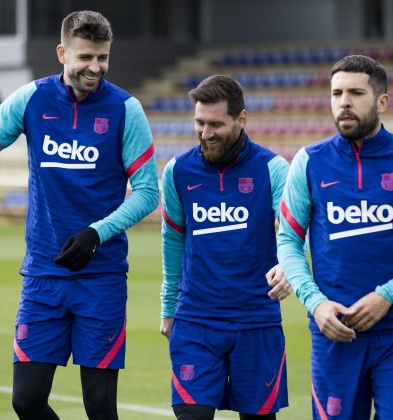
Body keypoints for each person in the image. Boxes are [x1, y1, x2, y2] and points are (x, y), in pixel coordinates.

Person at [0, 10, 158, 420]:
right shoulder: (33, 99)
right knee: (27, 400)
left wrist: (97, 233)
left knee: (99, 405)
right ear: (62, 53)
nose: (96, 67)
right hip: (43, 274)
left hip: (101, 277)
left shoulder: (127, 110)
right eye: (86, 57)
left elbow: (148, 194)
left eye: (103, 58)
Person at [277, 55, 393, 419]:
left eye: (356, 92)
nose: (344, 101)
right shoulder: (309, 162)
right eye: (337, 93)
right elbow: (288, 243)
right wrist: (316, 303)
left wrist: (386, 296)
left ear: (382, 101)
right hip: (333, 333)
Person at [160, 75, 291, 420]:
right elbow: (173, 239)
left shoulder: (273, 169)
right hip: (195, 319)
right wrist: (168, 306)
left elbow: (292, 231)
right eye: (199, 123)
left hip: (256, 320)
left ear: (241, 119)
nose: (205, 133)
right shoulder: (177, 171)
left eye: (216, 124)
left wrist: (289, 267)